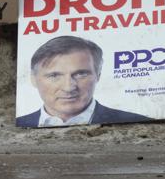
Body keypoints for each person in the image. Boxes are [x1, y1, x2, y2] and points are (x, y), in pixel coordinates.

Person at [16, 35, 151, 127]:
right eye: (54, 76)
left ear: (98, 75)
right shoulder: (18, 126)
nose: (68, 87)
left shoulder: (139, 124)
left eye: (81, 74)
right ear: (33, 79)